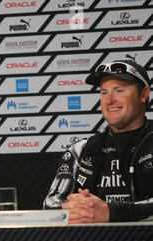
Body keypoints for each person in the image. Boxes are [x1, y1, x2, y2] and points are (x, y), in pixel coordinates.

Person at [44, 60, 152, 224]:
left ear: (144, 94)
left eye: (119, 90)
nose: (109, 100)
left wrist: (110, 212)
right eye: (103, 92)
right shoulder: (80, 150)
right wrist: (78, 209)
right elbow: (50, 204)